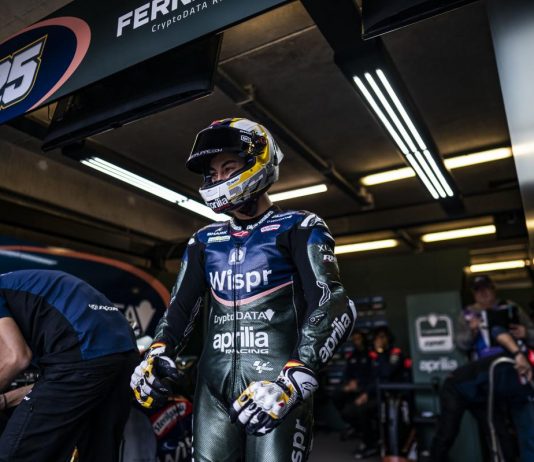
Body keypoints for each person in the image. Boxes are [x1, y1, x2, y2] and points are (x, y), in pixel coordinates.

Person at [130, 117, 357, 461]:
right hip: (211, 389)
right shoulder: (203, 241)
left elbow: (333, 302)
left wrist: (294, 378)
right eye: (212, 173)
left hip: (275, 386)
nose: (218, 179)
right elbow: (179, 309)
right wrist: (156, 353)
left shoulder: (300, 227)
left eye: (229, 167)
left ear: (259, 162)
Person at [0, 269, 138, 462]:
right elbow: (56, 387)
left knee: (14, 454)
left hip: (82, 350)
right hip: (124, 350)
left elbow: (17, 357)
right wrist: (5, 400)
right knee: (97, 455)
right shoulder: (24, 295)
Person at [431, 330, 534, 462]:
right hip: (457, 386)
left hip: (484, 395)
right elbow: (499, 333)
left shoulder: (525, 385)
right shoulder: (513, 361)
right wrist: (518, 354)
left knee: (500, 435)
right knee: (447, 433)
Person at [456, 274, 534, 359]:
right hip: (482, 360)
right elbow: (460, 345)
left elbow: (531, 332)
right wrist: (472, 333)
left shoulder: (510, 307)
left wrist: (526, 333)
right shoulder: (467, 313)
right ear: (473, 293)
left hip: (513, 357)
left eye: (486, 288)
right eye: (477, 289)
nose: (482, 292)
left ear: (493, 289)